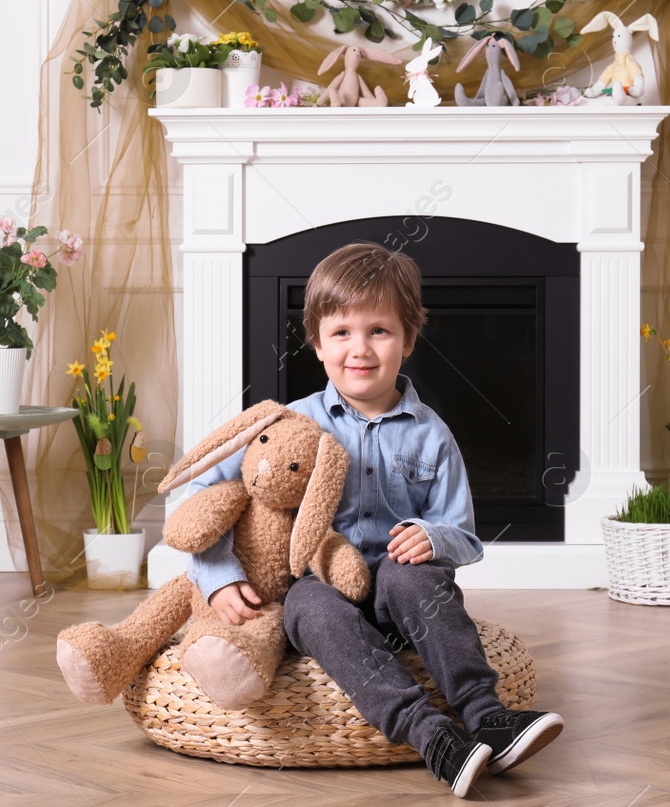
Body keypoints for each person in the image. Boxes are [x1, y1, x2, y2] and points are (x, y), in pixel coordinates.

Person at [183, 242, 564, 797]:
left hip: (396, 594)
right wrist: (218, 578)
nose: (359, 349)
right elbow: (201, 499)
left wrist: (434, 539)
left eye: (379, 331)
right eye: (341, 333)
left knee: (414, 578)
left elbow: (465, 535)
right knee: (310, 603)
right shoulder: (288, 425)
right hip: (317, 593)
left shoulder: (431, 433)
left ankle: (488, 717)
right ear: (316, 343)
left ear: (408, 340)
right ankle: (432, 737)